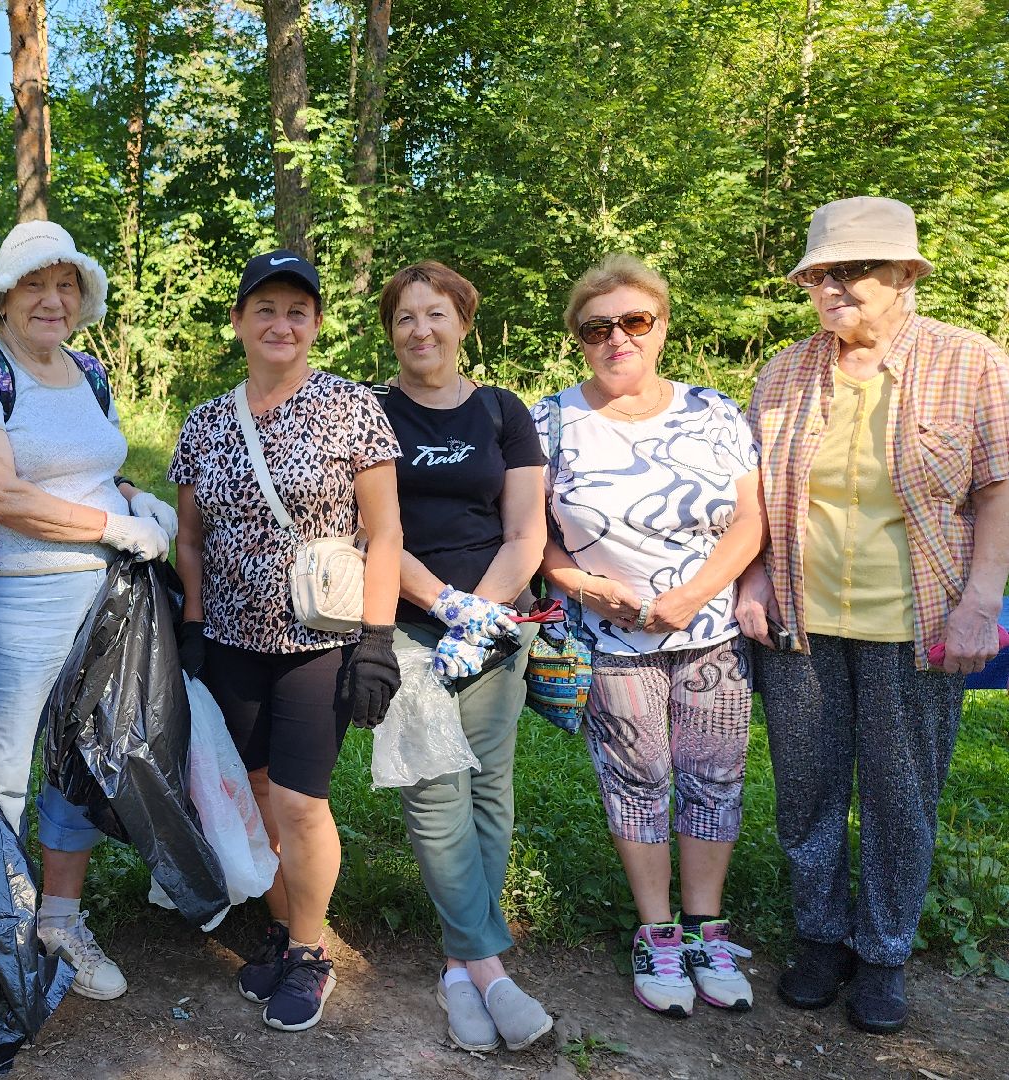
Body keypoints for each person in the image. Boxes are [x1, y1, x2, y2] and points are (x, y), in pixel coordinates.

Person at [737, 197, 1009, 1034]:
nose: (833, 287)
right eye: (820, 274)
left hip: (919, 623)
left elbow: (998, 489)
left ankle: (885, 951)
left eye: (853, 271)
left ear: (904, 276)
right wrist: (752, 579)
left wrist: (980, 605)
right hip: (803, 624)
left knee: (901, 796)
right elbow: (752, 495)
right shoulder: (785, 371)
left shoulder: (971, 362)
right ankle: (821, 941)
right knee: (807, 792)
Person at [170, 250, 403, 1033]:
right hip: (231, 644)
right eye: (264, 308)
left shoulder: (351, 408)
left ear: (317, 324)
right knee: (258, 793)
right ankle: (280, 923)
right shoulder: (205, 421)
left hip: (321, 643)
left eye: (297, 310)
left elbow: (385, 529)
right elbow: (191, 541)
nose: (281, 323)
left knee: (303, 802)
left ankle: (310, 953)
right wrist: (195, 627)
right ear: (238, 321)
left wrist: (376, 638)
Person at [0, 220, 174, 1001]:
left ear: (82, 298)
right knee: (2, 769)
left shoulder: (91, 371)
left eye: (65, 284)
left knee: (83, 762)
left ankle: (60, 921)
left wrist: (141, 502)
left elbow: (98, 466)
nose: (51, 299)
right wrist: (116, 527)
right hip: (20, 599)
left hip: (107, 598)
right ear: (3, 299)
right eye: (33, 285)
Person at [533, 254, 763, 1019]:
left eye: (635, 322)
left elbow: (752, 522)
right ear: (579, 339)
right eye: (598, 328)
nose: (618, 339)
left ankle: (705, 928)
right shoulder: (550, 421)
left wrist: (693, 595)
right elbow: (531, 535)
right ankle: (657, 933)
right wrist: (579, 583)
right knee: (638, 784)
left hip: (713, 635)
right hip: (611, 641)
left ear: (662, 326)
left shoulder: (715, 412)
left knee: (714, 779)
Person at [373, 261, 552, 1051]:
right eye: (406, 317)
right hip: (410, 622)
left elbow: (526, 532)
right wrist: (443, 608)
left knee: (487, 785)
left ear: (464, 323)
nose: (422, 330)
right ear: (391, 332)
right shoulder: (371, 412)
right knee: (434, 789)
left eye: (436, 314)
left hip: (496, 625)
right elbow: (376, 532)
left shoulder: (502, 410)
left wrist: (481, 615)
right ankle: (490, 971)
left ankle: (457, 967)